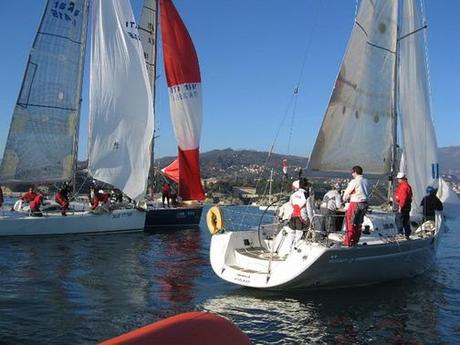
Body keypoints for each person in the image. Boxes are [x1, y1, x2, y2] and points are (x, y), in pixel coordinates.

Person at [342, 165, 368, 247]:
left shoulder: (354, 181)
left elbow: (347, 193)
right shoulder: (366, 181)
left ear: (355, 172)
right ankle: (355, 240)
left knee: (350, 222)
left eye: (352, 172)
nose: (352, 174)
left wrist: (344, 198)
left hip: (355, 203)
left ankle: (348, 242)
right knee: (358, 223)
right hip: (364, 204)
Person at [393, 172, 413, 239]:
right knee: (406, 220)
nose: (398, 180)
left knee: (398, 219)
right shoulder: (407, 185)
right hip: (407, 206)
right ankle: (407, 234)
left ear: (401, 179)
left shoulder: (403, 186)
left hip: (403, 206)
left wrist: (400, 207)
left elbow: (403, 197)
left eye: (398, 179)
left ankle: (400, 233)